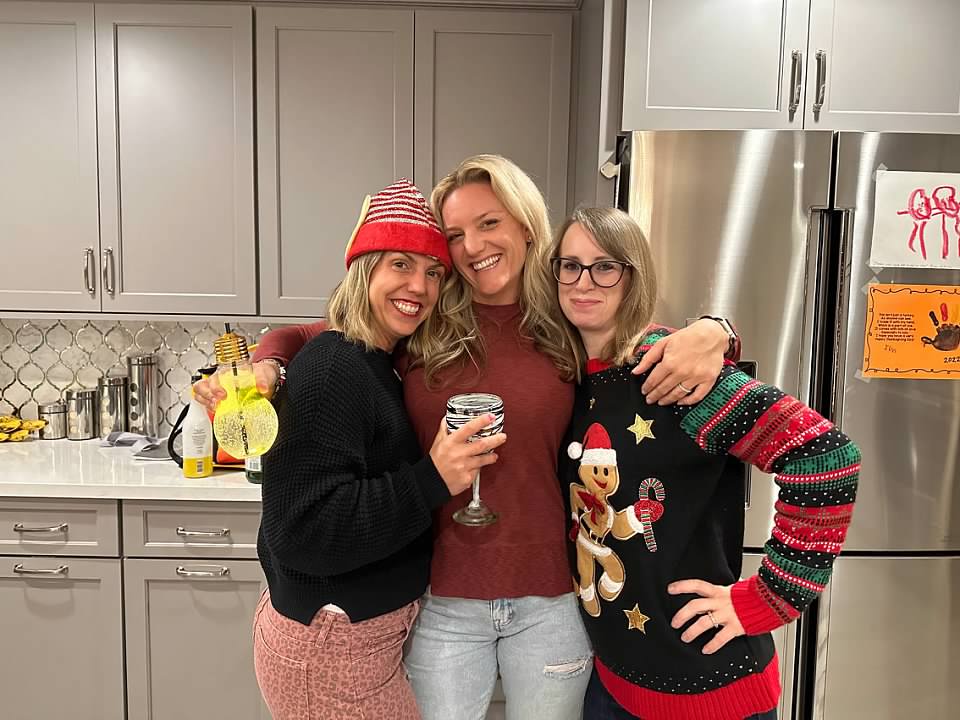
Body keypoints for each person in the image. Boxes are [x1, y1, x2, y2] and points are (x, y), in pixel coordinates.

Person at [201, 156, 737, 719]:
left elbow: (650, 343)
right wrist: (268, 361)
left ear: (525, 225)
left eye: (489, 223)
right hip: (442, 601)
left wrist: (715, 331)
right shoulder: (423, 322)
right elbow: (315, 335)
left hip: (551, 600)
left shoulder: (566, 321)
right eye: (455, 235)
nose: (473, 246)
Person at [550, 207, 861, 720]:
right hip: (614, 683)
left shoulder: (669, 370)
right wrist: (719, 329)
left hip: (709, 689)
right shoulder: (572, 376)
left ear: (634, 276)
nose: (584, 282)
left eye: (605, 266)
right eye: (570, 266)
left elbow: (827, 457)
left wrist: (769, 598)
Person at [252, 179, 507, 720]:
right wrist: (432, 478)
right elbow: (302, 532)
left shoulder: (375, 358)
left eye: (434, 272)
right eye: (400, 265)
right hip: (332, 645)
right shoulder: (334, 369)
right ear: (364, 269)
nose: (419, 286)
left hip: (350, 635)